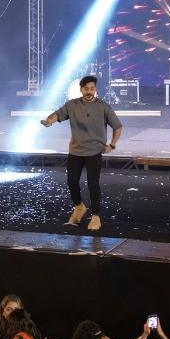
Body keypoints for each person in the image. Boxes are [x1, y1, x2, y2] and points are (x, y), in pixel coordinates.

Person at [38, 75, 124, 232]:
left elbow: (117, 127)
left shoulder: (103, 107)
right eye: (86, 89)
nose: (89, 92)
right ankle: (79, 207)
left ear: (95, 90)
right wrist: (49, 120)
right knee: (71, 181)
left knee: (93, 184)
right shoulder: (72, 105)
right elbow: (57, 114)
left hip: (94, 152)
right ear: (81, 90)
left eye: (92, 89)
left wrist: (111, 145)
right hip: (76, 150)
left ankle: (96, 216)